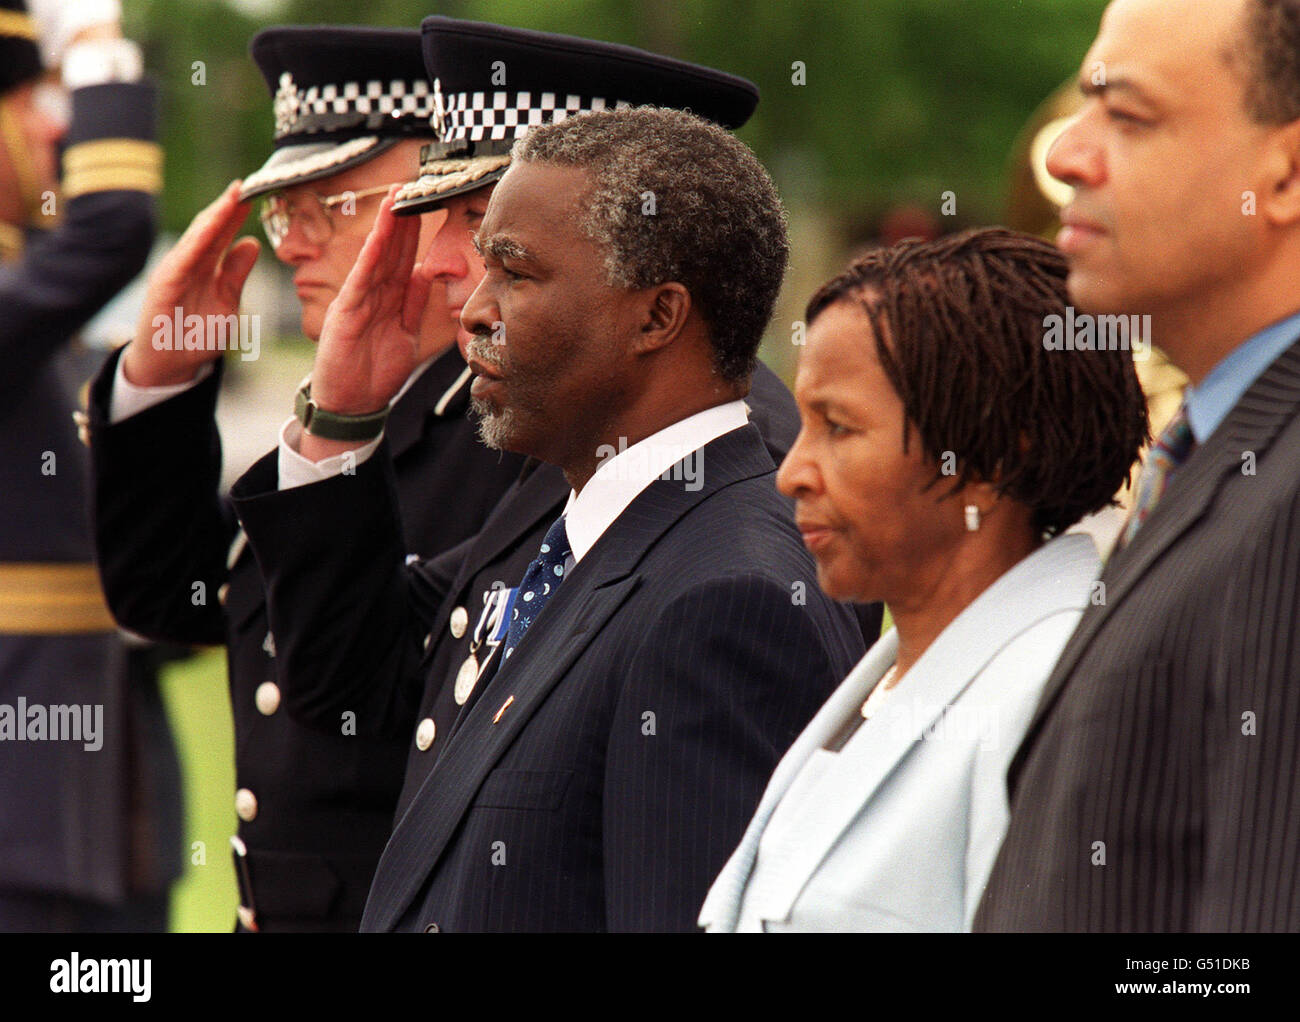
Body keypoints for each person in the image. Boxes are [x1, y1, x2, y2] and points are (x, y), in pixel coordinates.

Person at [230, 103, 867, 932]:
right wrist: (343, 414)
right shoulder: (575, 528)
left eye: (517, 273)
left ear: (657, 316)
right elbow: (348, 669)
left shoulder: (727, 602)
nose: (473, 311)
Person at [84, 26, 524, 932]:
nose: (292, 245)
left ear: (447, 193)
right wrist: (160, 380)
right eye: (288, 212)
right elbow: (175, 594)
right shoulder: (373, 410)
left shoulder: (519, 432)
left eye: (334, 201)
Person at [699, 229, 1148, 932]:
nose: (792, 472)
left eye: (839, 428)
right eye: (806, 424)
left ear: (990, 454)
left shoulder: (1065, 698)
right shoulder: (902, 663)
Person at [976, 0, 1300, 931]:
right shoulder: (1221, 452)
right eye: (1087, 106)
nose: (1066, 157)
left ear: (1286, 174)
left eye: (1129, 116)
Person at [0, 0, 183, 931]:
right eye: (29, 97)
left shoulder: (39, 309)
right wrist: (98, 46)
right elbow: (115, 227)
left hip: (110, 803)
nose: (53, 121)